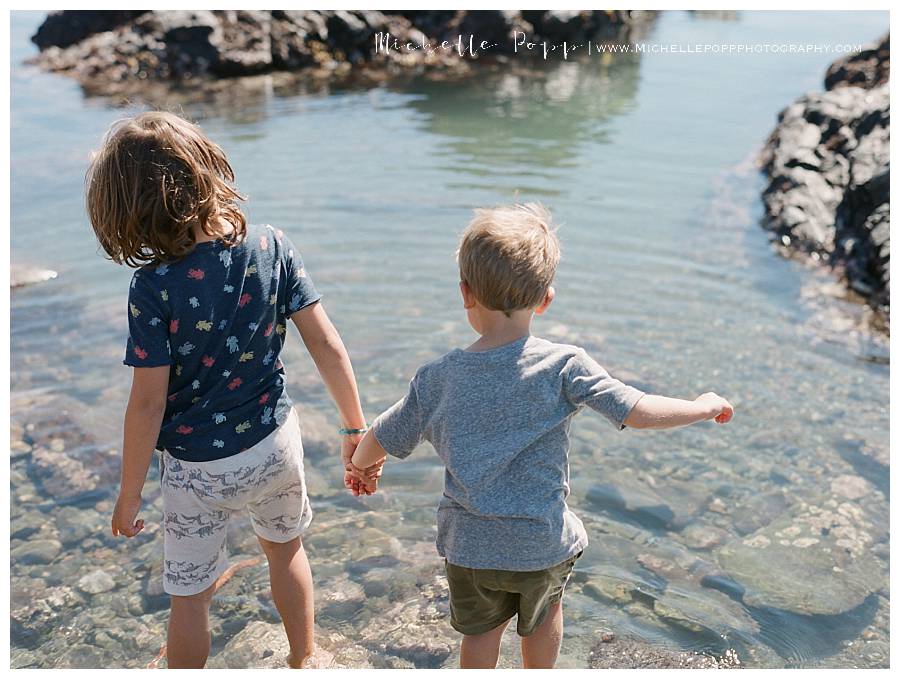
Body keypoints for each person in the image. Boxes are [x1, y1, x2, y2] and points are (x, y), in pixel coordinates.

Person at [348, 203, 734, 669]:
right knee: (546, 612)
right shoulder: (564, 366)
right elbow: (637, 411)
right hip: (542, 543)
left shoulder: (436, 379)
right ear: (546, 299)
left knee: (480, 635)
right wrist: (701, 406)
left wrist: (362, 466)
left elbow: (383, 434)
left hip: (470, 549)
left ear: (465, 294)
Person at [87, 111, 369, 668]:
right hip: (274, 447)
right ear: (208, 169)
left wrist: (129, 492)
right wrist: (355, 429)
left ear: (130, 210)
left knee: (189, 597)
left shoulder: (153, 287)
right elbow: (328, 347)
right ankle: (303, 658)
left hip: (196, 470)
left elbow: (146, 404)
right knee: (286, 552)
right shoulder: (270, 246)